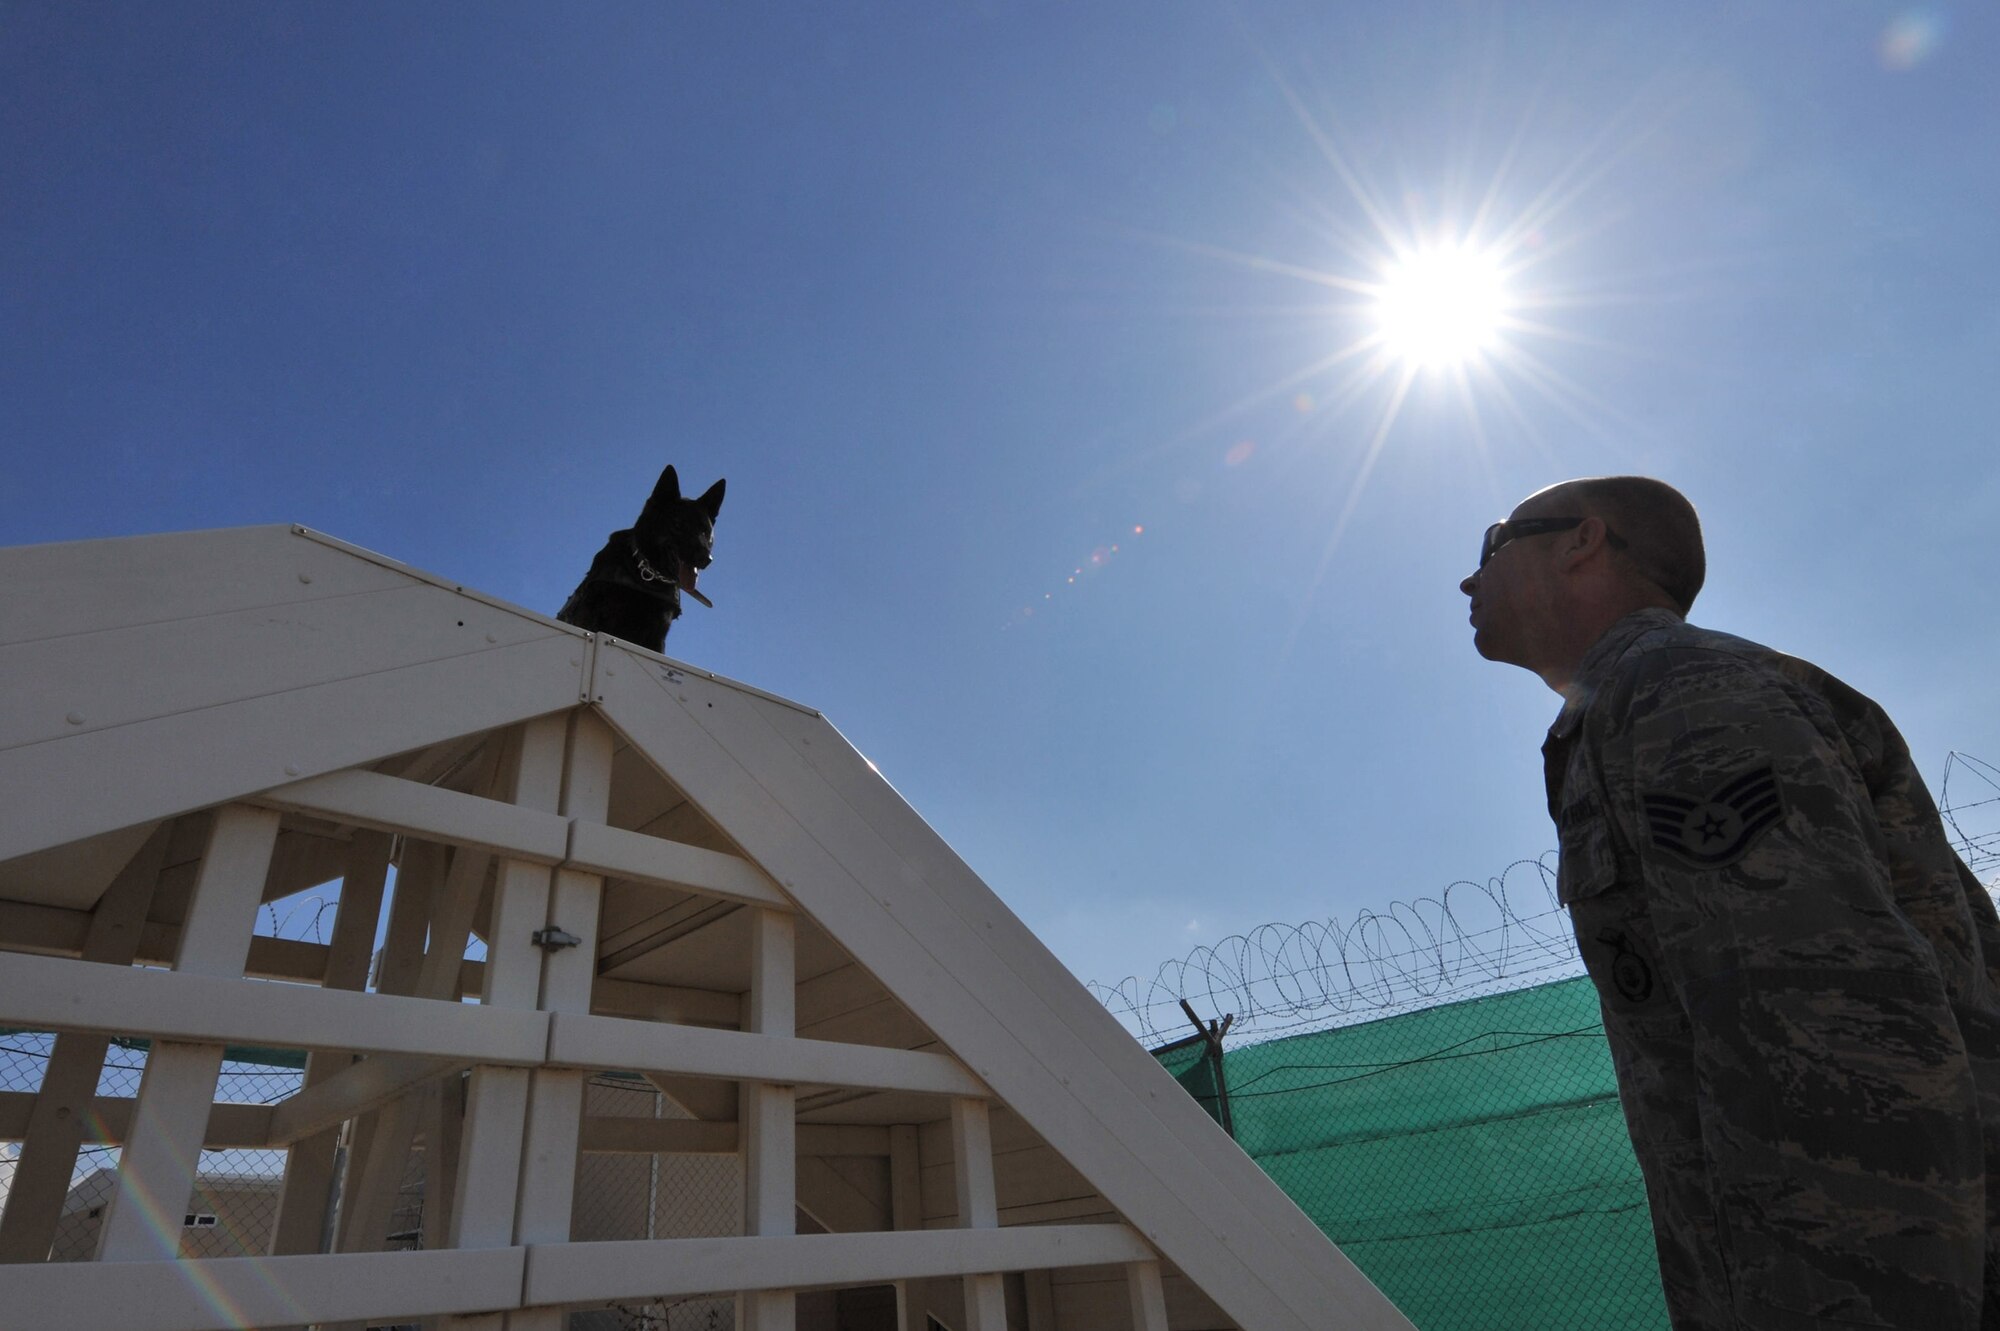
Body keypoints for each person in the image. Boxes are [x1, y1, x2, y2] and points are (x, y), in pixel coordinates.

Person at [1460, 476, 2000, 1330]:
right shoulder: (1628, 704)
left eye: (1493, 544)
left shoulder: (1682, 692)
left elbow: (1830, 1029)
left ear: (1581, 542)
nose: (1467, 580)